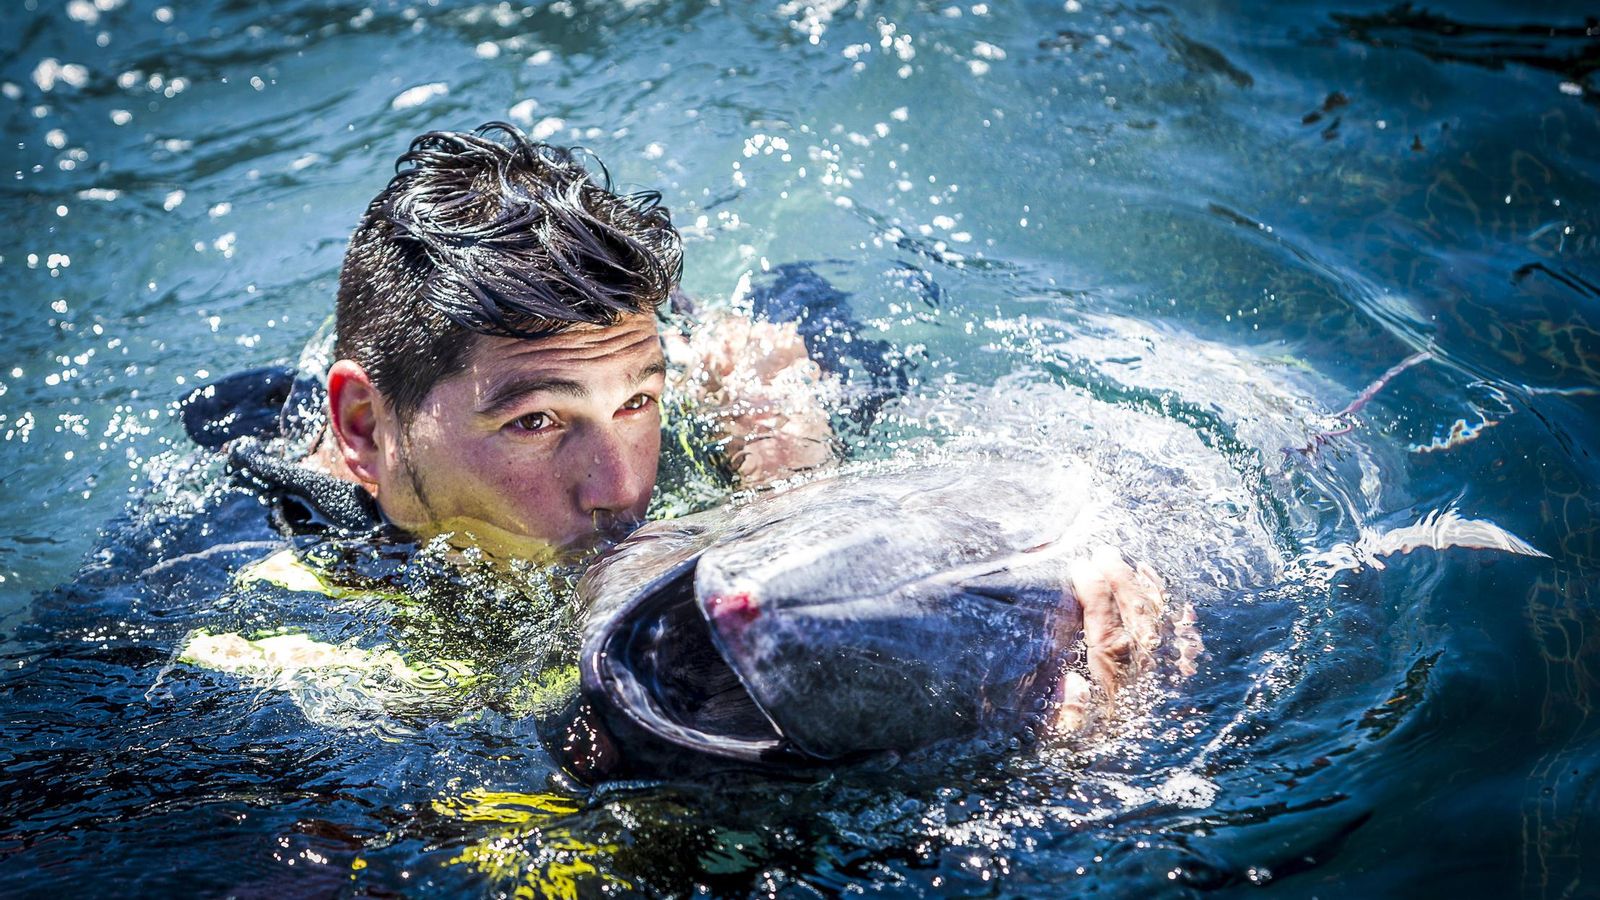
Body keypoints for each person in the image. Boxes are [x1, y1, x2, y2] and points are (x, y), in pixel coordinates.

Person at [199, 121, 1190, 731]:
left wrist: (795, 475)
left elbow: (1069, 458)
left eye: (636, 400)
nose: (620, 487)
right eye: (539, 421)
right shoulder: (232, 580)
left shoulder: (736, 413)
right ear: (364, 428)